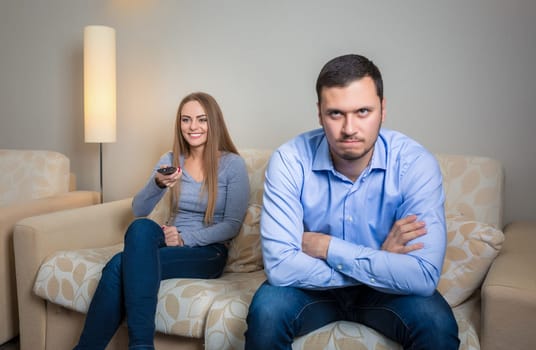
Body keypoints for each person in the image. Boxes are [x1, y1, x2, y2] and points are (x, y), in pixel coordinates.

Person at [245, 54, 459, 349]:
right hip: (312, 289)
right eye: (336, 113)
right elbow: (281, 268)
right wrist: (379, 259)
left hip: (386, 294)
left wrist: (326, 247)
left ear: (382, 110)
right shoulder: (289, 160)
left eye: (362, 111)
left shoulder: (415, 164)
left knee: (436, 323)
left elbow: (422, 276)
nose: (349, 128)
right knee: (267, 312)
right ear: (319, 114)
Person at [74, 92, 250, 350]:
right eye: (186, 120)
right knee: (140, 227)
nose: (193, 127)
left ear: (214, 123)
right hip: (167, 242)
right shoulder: (170, 160)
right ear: (179, 124)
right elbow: (139, 209)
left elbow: (231, 225)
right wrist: (158, 184)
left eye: (201, 120)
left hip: (208, 252)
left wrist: (184, 238)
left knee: (118, 265)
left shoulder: (232, 165)